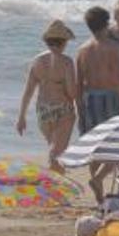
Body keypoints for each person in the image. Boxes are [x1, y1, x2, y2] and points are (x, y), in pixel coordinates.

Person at [75, 6, 119, 202]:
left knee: (95, 148)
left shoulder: (82, 50)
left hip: (89, 99)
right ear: (106, 24)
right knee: (117, 146)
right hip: (110, 98)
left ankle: (97, 190)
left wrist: (79, 107)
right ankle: (98, 179)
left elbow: (78, 81)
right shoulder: (114, 48)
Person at [16, 20, 77, 174]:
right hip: (63, 109)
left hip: (43, 111)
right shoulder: (67, 62)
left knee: (56, 150)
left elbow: (28, 91)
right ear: (64, 42)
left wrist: (21, 117)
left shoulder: (37, 61)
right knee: (56, 154)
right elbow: (71, 92)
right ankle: (50, 177)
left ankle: (58, 185)